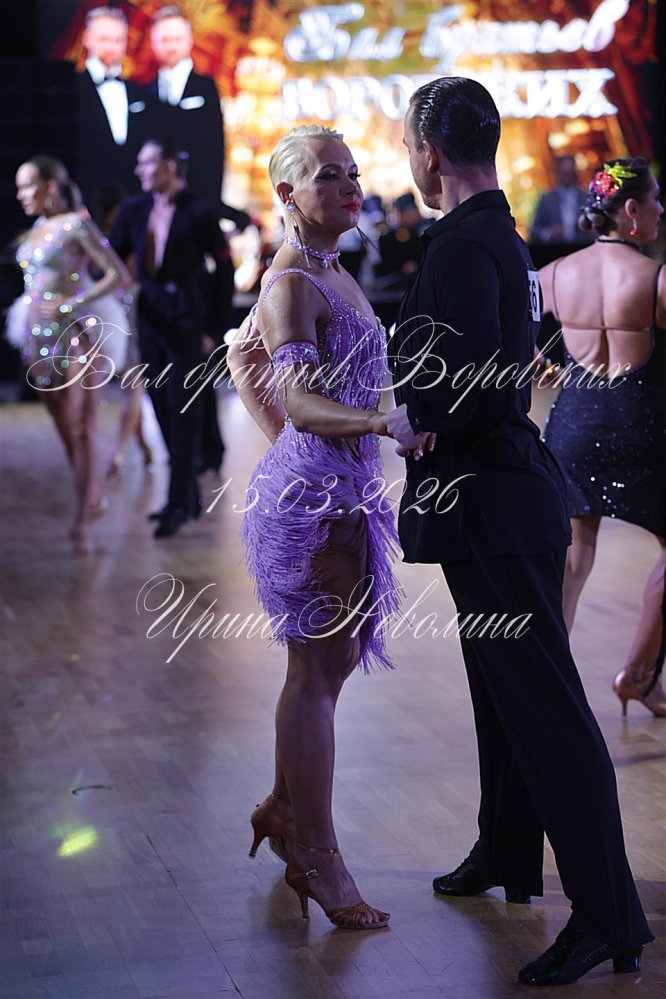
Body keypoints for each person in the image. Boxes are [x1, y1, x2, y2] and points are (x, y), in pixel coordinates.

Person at [385, 77, 653, 986]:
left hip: (494, 505)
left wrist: (416, 415)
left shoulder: (466, 242)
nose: (408, 161)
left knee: (545, 711)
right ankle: (506, 850)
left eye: (407, 146)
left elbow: (476, 386)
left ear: (429, 152)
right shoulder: (492, 231)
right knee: (505, 694)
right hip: (502, 500)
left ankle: (607, 914)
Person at [226, 124, 401, 929]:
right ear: (288, 194)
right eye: (328, 175)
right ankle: (320, 858)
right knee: (317, 675)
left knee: (325, 669)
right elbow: (297, 402)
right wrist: (380, 421)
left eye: (352, 172)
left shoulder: (329, 267)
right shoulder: (292, 278)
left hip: (339, 487)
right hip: (316, 504)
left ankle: (282, 808)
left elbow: (251, 367)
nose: (348, 185)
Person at [540, 159, 666, 717]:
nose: (661, 209)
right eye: (656, 199)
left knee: (572, 558)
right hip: (644, 429)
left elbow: (514, 333)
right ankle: (638, 675)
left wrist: (547, 365)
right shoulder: (655, 277)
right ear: (631, 209)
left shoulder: (554, 274)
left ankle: (547, 695)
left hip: (574, 425)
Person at [109, 138, 233, 537]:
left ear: (169, 166)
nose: (139, 171)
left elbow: (224, 270)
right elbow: (111, 256)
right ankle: (188, 494)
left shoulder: (198, 211)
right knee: (161, 406)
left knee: (183, 410)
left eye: (147, 164)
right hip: (151, 319)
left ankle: (179, 503)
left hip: (188, 321)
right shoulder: (134, 209)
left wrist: (214, 329)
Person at [7, 156, 131, 554]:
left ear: (49, 186)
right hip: (36, 334)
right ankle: (92, 493)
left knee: (82, 423)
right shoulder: (37, 229)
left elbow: (118, 274)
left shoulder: (76, 224)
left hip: (76, 333)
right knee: (62, 422)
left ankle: (82, 521)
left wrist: (70, 302)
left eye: (27, 186)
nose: (20, 195)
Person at [76, 6, 154, 208]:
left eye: (118, 40)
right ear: (87, 38)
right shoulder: (72, 89)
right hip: (87, 199)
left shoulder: (140, 92)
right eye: (104, 39)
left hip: (134, 200)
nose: (111, 46)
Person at [148, 6, 225, 209]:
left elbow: (216, 150)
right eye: (164, 39)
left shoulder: (206, 87)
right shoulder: (147, 90)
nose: (171, 45)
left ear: (189, 41)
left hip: (197, 196)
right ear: (153, 43)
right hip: (155, 200)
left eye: (177, 39)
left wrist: (211, 204)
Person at [530, 154, 591, 245]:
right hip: (556, 248)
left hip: (582, 246)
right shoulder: (546, 199)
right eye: (564, 172)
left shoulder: (586, 197)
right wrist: (549, 233)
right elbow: (534, 230)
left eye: (569, 172)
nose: (567, 176)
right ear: (558, 173)